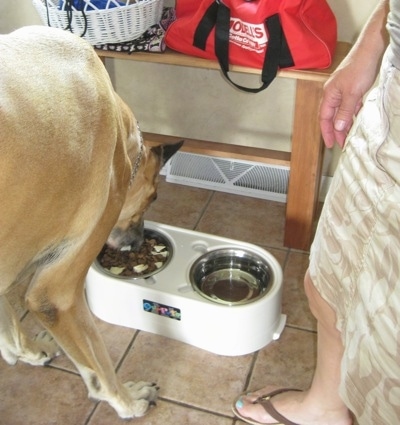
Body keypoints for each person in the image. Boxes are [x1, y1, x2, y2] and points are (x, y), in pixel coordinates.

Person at [232, 0, 400, 424]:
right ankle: (324, 407)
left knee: (390, 354)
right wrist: (372, 44)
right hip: (391, 106)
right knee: (328, 278)